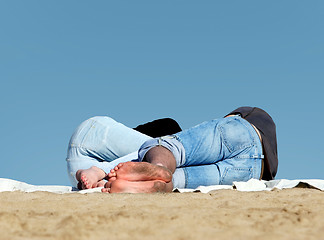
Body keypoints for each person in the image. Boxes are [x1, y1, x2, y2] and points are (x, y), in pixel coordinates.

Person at [74, 107, 278, 193]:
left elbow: (221, 129)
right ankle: (159, 185)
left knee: (172, 148)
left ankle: (159, 165)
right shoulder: (269, 162)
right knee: (180, 181)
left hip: (244, 133)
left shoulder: (248, 116)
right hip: (253, 174)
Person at [67, 117, 182, 189]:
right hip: (91, 135)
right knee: (165, 155)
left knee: (107, 186)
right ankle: (102, 174)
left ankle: (104, 181)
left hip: (80, 167)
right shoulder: (164, 139)